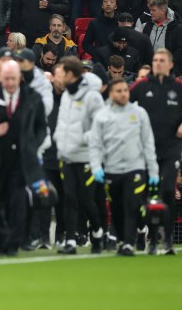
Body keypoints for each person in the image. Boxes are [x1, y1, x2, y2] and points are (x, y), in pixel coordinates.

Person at [130, 48, 182, 254]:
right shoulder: (141, 86)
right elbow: (123, 105)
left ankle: (167, 240)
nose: (158, 63)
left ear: (170, 64)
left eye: (162, 60)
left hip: (171, 148)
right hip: (146, 150)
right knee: (146, 194)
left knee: (166, 192)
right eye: (155, 60)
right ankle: (147, 236)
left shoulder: (179, 87)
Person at [89, 78, 159, 257]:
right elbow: (95, 144)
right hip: (111, 169)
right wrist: (96, 166)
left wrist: (153, 170)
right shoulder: (102, 115)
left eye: (125, 90)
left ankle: (128, 243)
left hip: (135, 168)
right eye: (118, 91)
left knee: (132, 205)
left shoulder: (139, 113)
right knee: (117, 209)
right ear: (111, 94)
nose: (123, 94)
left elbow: (148, 142)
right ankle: (121, 239)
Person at [0, 59, 47, 256]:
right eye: (6, 79)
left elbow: (41, 128)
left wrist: (32, 146)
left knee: (18, 202)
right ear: (0, 78)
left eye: (13, 78)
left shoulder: (33, 97)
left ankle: (12, 243)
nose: (10, 83)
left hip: (21, 160)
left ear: (20, 77)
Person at [52, 57, 105, 254]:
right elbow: (61, 122)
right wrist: (59, 141)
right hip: (66, 156)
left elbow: (100, 127)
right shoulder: (66, 96)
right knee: (69, 197)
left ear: (70, 74)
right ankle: (71, 241)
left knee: (86, 200)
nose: (59, 77)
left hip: (86, 156)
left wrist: (84, 138)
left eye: (62, 73)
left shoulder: (93, 97)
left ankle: (98, 231)